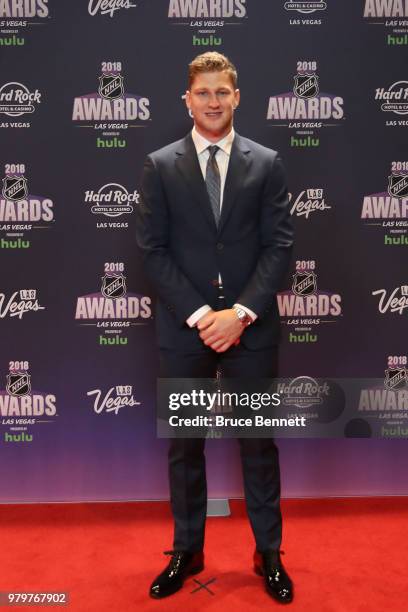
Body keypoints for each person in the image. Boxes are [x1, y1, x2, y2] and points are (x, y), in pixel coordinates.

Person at [135, 51, 294, 603]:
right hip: (187, 332)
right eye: (202, 93)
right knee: (184, 446)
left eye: (222, 93)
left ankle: (268, 552)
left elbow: (279, 247)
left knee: (259, 443)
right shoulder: (160, 164)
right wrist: (204, 317)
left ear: (237, 96)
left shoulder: (267, 162)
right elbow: (153, 253)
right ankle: (187, 549)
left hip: (251, 328)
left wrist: (241, 313)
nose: (213, 102)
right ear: (187, 98)